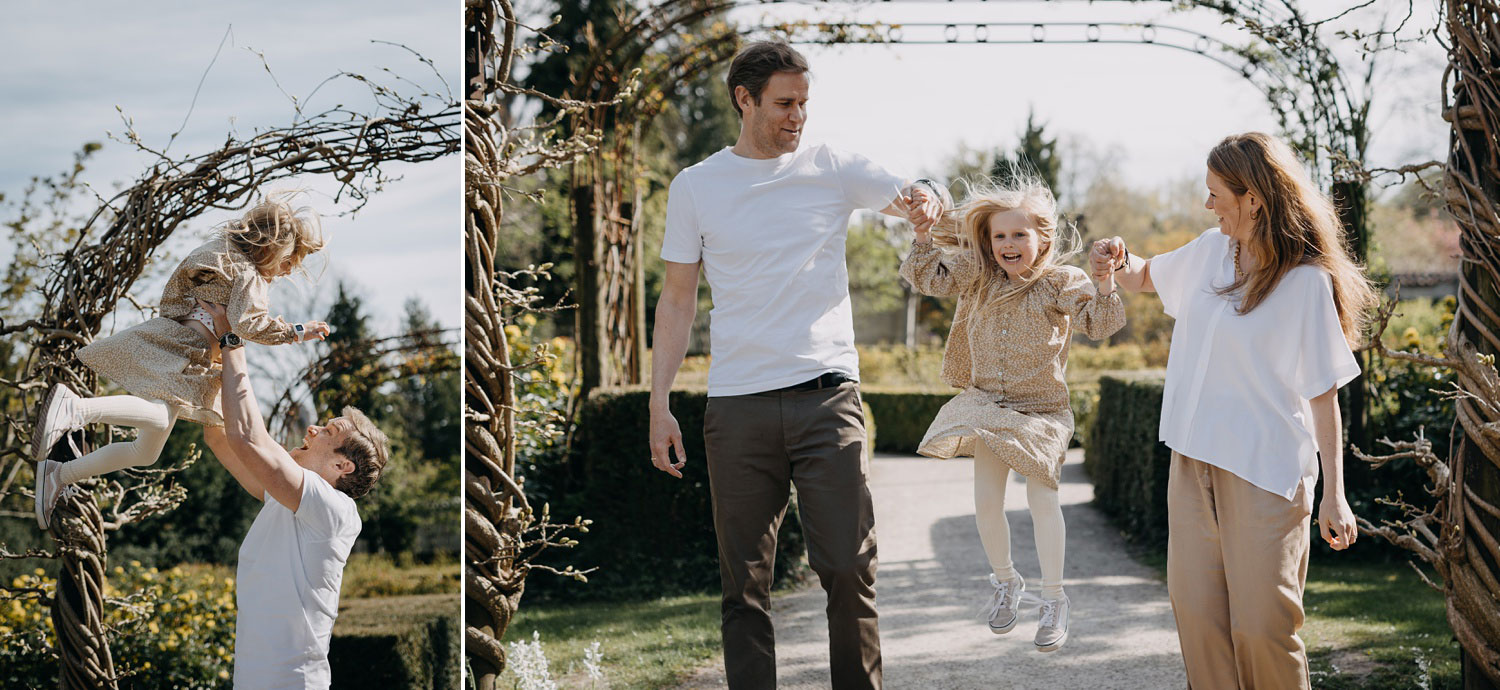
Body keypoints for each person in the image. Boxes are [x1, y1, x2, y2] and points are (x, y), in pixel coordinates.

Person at [648, 40, 944, 690]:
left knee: (847, 566)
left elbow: (914, 191)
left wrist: (924, 198)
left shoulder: (831, 165)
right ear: (744, 99)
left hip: (827, 399)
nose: (797, 117)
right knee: (744, 587)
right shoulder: (696, 186)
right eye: (784, 104)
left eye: (804, 103)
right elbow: (676, 300)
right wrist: (659, 401)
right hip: (737, 407)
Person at [1094, 131, 1375, 688]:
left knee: (1261, 629)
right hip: (1191, 460)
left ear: (1254, 197)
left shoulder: (1306, 282)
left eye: (1216, 192)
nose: (1207, 204)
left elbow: (1324, 394)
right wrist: (1118, 257)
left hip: (1266, 472)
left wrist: (1336, 496)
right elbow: (1145, 276)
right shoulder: (1207, 251)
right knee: (1198, 618)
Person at [899, 177, 1124, 652]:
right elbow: (928, 277)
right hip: (987, 402)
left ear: (1043, 237)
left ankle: (1054, 599)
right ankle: (1006, 580)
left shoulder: (1060, 283)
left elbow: (1098, 323)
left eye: (1019, 235)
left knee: (1042, 502)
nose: (1008, 245)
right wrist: (922, 235)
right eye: (999, 236)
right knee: (985, 503)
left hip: (1041, 412)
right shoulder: (977, 274)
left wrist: (1103, 282)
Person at [32, 192, 331, 529]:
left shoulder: (220, 254)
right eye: (288, 261)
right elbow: (250, 324)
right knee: (159, 418)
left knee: (147, 452)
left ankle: (59, 475)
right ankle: (75, 409)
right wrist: (296, 331)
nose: (286, 270)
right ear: (268, 249)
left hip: (179, 346)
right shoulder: (248, 274)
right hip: (185, 352)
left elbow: (177, 293)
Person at [200, 298, 389, 689]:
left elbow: (248, 438)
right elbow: (219, 436)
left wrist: (233, 339)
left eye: (329, 432)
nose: (313, 429)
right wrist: (213, 356)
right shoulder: (284, 501)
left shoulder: (335, 510)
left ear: (342, 467)